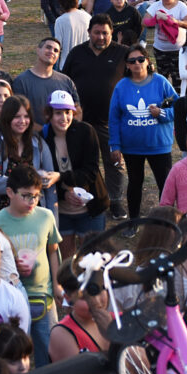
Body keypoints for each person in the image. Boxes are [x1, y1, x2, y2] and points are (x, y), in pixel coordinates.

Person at [0, 165, 62, 366]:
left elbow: (52, 251)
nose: (32, 201)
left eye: (36, 196)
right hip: (11, 297)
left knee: (49, 351)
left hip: (43, 296)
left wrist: (57, 284)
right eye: (26, 196)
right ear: (9, 193)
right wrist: (13, 266)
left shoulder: (46, 216)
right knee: (12, 354)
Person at [60, 15, 127, 214]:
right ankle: (85, 198)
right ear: (89, 32)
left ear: (111, 33)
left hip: (111, 122)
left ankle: (115, 200)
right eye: (96, 32)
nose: (100, 37)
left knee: (114, 163)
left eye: (105, 33)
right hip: (81, 122)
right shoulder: (76, 53)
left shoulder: (122, 53)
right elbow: (66, 81)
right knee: (82, 164)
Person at [108, 44, 177, 218]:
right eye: (132, 61)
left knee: (165, 184)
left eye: (140, 59)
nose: (137, 63)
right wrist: (114, 145)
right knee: (134, 183)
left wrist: (161, 113)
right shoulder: (121, 86)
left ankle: (165, 222)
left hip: (159, 145)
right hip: (132, 147)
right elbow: (114, 118)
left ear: (147, 61)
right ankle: (133, 222)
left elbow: (179, 107)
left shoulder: (160, 81)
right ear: (127, 65)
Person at [43, 93, 109, 245]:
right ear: (49, 114)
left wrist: (60, 176)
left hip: (91, 210)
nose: (64, 118)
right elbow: (44, 177)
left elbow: (91, 171)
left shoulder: (86, 131)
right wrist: (64, 194)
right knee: (66, 259)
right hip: (61, 211)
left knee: (93, 256)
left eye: (68, 112)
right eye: (58, 113)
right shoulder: (43, 138)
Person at [13, 37, 79, 127]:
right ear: (38, 50)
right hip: (33, 137)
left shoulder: (66, 81)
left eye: (56, 50)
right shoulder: (21, 81)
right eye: (48, 47)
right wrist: (44, 133)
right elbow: (17, 114)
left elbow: (77, 110)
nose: (52, 51)